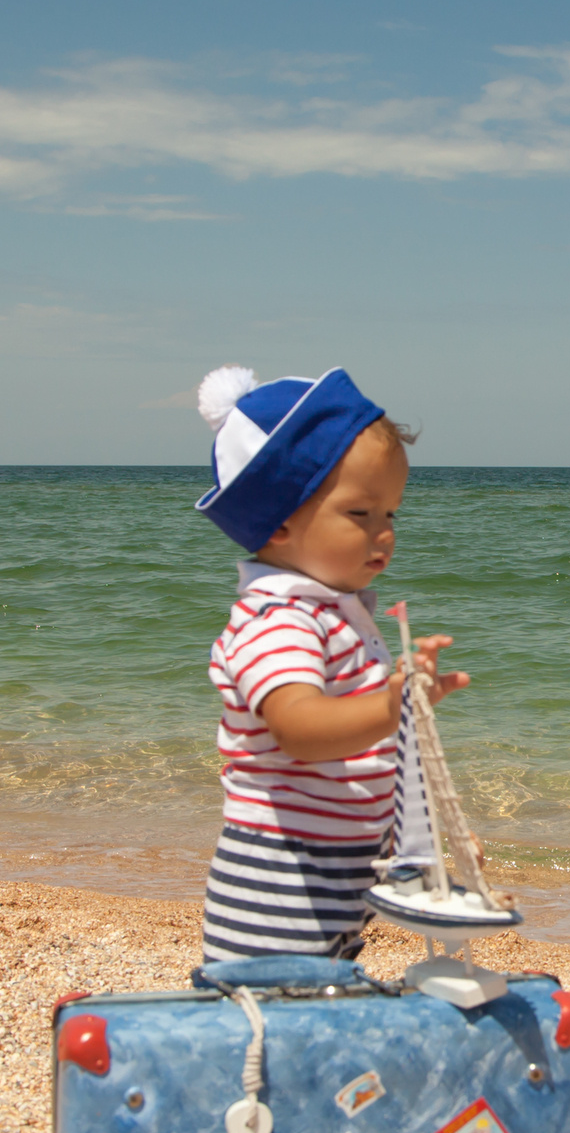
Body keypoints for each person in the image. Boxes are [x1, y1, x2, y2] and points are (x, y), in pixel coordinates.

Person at [191, 365, 466, 963]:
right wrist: (392, 706)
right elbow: (300, 730)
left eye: (391, 515)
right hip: (279, 876)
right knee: (274, 1003)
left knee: (319, 995)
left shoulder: (335, 613)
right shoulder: (279, 620)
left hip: (335, 869)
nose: (384, 534)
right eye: (361, 514)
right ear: (278, 521)